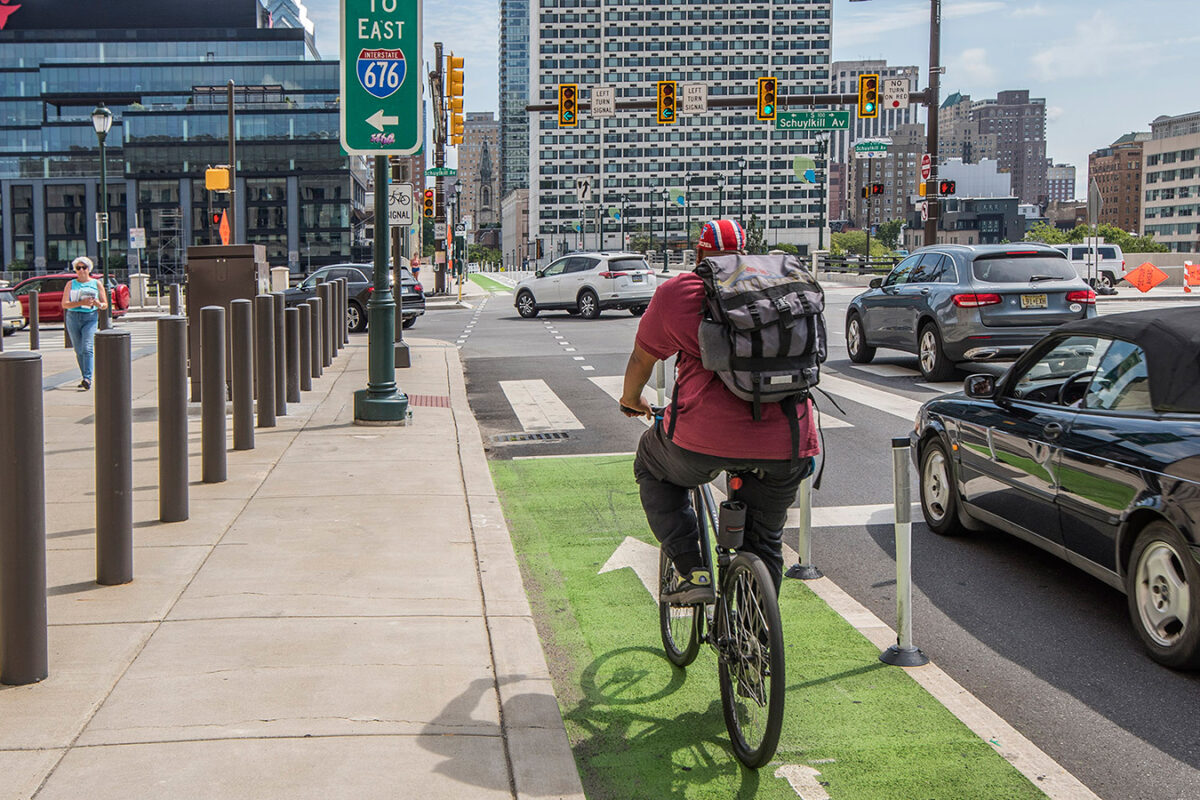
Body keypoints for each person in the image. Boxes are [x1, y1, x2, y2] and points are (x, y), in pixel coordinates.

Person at [620, 219, 819, 603]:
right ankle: (756, 642)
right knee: (766, 541)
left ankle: (691, 568)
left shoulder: (681, 292)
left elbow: (642, 359)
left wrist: (632, 399)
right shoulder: (782, 286)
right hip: (790, 442)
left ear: (698, 254)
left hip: (701, 440)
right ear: (745, 253)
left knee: (650, 463)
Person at [61, 255, 108, 391]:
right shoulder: (70, 284)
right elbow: (64, 304)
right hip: (73, 317)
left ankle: (87, 377)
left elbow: (105, 305)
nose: (81, 270)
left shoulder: (96, 283)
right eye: (78, 268)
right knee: (78, 349)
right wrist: (80, 302)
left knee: (87, 347)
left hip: (90, 317)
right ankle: (84, 376)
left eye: (84, 267)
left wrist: (98, 303)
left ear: (89, 269)